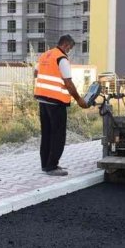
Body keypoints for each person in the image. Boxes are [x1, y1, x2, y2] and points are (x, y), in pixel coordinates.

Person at [33, 35, 88, 176]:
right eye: (69, 47)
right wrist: (79, 99)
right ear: (65, 44)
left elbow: (35, 73)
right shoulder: (61, 59)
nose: (69, 51)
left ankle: (45, 164)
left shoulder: (45, 55)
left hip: (43, 99)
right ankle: (52, 166)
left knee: (46, 134)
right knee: (58, 135)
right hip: (56, 102)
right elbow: (68, 83)